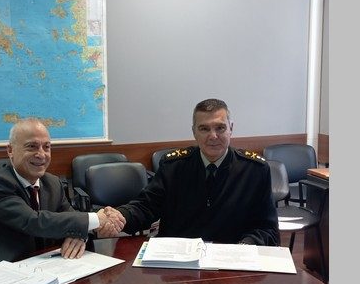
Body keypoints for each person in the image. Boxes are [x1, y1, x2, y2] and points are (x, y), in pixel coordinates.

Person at [0, 118, 125, 275]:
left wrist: (80, 235)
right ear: (10, 150)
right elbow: (34, 221)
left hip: (37, 270)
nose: (41, 154)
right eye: (32, 147)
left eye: (46, 147)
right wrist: (98, 219)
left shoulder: (52, 183)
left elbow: (71, 218)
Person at [116, 98, 280, 246]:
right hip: (178, 260)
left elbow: (267, 229)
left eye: (220, 128)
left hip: (232, 260)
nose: (213, 136)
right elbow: (146, 207)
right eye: (204, 129)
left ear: (231, 129)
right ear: (194, 131)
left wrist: (244, 247)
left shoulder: (255, 170)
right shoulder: (173, 166)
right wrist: (119, 217)